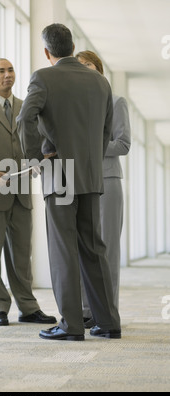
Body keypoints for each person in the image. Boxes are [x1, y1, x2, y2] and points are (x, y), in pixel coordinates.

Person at [17, 24, 121, 341]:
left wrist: (35, 157)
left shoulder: (44, 77)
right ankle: (108, 323)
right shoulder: (100, 82)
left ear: (48, 52)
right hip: (90, 173)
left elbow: (25, 118)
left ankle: (72, 325)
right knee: (94, 248)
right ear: (73, 47)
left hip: (59, 171)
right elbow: (105, 131)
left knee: (64, 250)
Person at [0, 58, 56, 327]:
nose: (7, 75)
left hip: (22, 192)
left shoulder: (26, 108)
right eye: (1, 71)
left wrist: (36, 161)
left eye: (11, 70)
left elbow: (37, 143)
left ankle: (28, 307)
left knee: (22, 254)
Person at [76, 50, 131, 328]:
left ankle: (108, 314)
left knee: (108, 251)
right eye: (80, 66)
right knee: (85, 248)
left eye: (89, 66)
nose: (85, 70)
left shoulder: (116, 101)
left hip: (108, 183)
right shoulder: (75, 105)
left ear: (99, 71)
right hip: (81, 184)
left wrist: (90, 149)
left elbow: (123, 144)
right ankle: (87, 311)